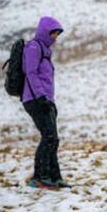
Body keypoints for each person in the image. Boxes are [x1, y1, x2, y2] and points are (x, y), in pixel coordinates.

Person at [22, 16, 70, 190]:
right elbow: (31, 73)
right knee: (48, 137)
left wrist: (49, 100)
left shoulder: (45, 50)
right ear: (45, 31)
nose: (55, 37)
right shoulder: (34, 47)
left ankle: (54, 177)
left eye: (57, 34)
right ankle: (40, 178)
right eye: (53, 33)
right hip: (35, 99)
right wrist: (41, 97)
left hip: (45, 100)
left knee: (53, 139)